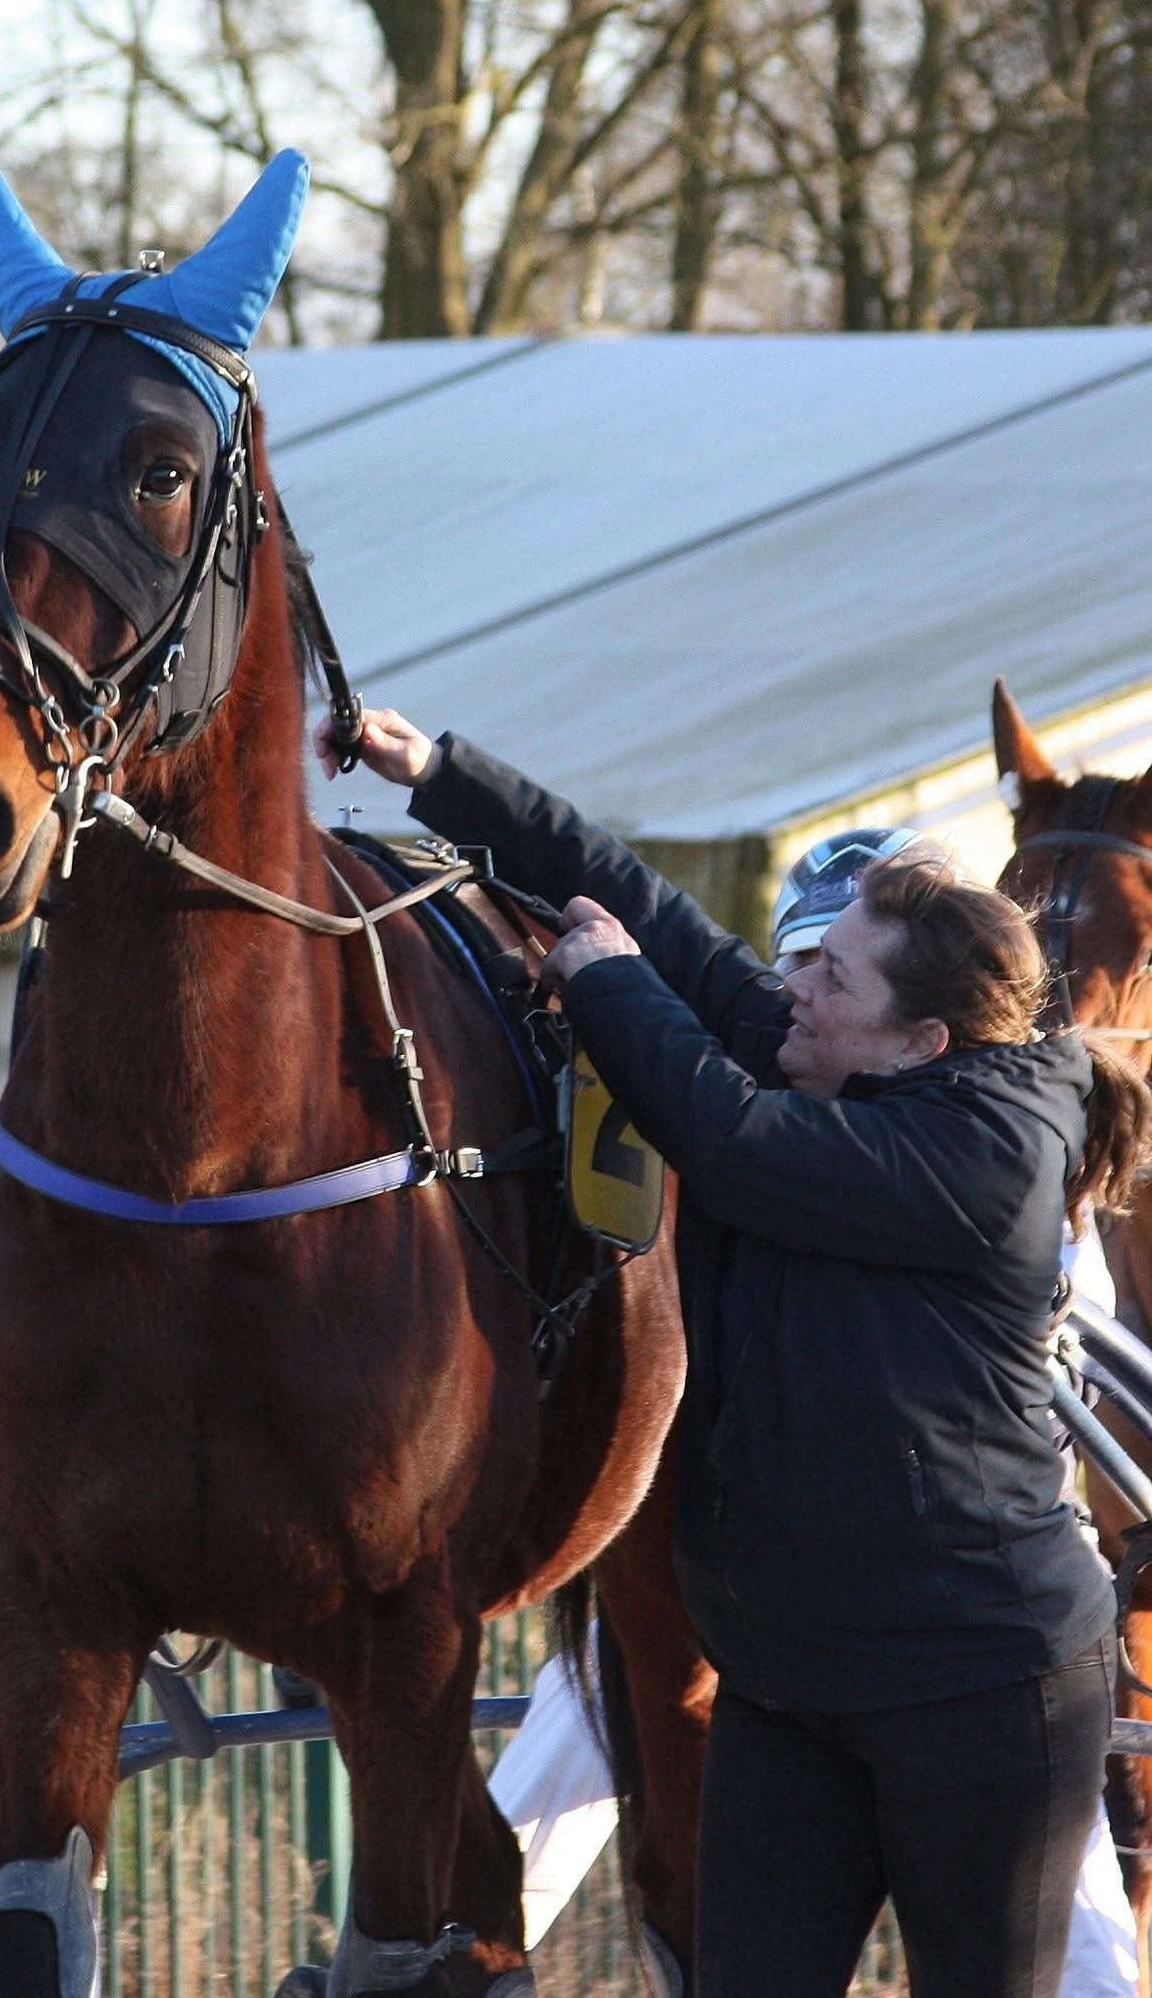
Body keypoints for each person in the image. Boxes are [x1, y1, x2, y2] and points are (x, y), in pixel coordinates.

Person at [316, 709, 1152, 1998]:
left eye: (833, 977)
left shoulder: (979, 1154)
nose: (795, 986)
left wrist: (605, 982)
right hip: (793, 1679)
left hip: (982, 1689)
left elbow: (724, 1136)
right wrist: (441, 774)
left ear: (921, 1039)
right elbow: (664, 917)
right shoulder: (849, 1061)